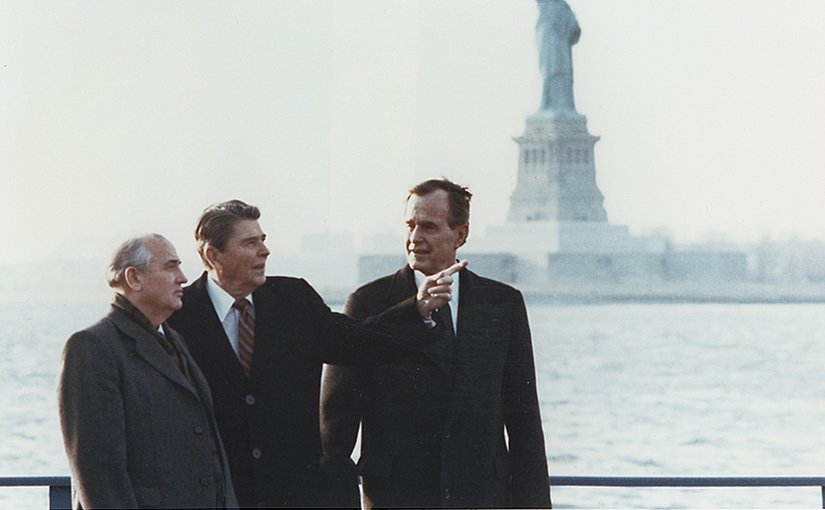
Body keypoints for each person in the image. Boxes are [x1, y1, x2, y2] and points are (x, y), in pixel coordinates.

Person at [168, 199, 458, 508]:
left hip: (295, 496)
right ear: (214, 256)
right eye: (250, 243)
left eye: (263, 241)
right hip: (215, 495)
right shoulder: (177, 315)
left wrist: (417, 310)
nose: (264, 251)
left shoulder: (294, 299)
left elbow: (357, 340)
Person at [321, 178, 552, 508]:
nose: (415, 238)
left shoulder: (503, 304)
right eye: (410, 225)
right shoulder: (368, 303)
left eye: (428, 226)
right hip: (397, 499)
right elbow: (336, 425)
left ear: (460, 234)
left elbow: (524, 419)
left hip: (482, 499)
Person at [58, 234, 238, 509]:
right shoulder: (93, 346)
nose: (183, 278)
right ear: (134, 279)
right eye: (170, 267)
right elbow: (98, 471)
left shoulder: (174, 340)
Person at [536, 0, 580, 114]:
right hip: (550, 46)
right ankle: (547, 105)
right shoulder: (548, 6)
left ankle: (562, 107)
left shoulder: (564, 8)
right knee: (550, 74)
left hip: (561, 49)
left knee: (561, 76)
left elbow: (576, 30)